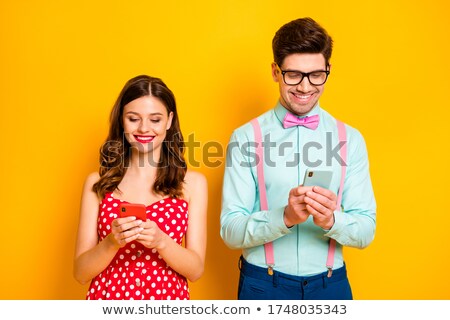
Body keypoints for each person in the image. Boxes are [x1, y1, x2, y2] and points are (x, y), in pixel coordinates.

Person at [220, 17, 376, 300]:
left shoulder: (350, 139)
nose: (305, 87)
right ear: (275, 72)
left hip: (331, 288)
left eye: (316, 75)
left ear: (328, 70)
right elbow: (230, 231)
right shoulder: (245, 137)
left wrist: (331, 220)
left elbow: (366, 230)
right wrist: (285, 217)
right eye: (293, 75)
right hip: (263, 286)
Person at [74, 75, 208, 300]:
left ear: (169, 120)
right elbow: (80, 273)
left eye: (155, 119)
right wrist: (111, 242)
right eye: (133, 118)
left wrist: (161, 241)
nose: (144, 129)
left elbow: (195, 271)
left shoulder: (192, 184)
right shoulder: (97, 183)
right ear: (121, 120)